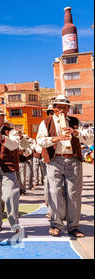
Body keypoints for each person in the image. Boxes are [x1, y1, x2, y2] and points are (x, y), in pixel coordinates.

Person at [36, 95, 93, 238]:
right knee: (55, 193)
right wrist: (56, 138)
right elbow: (40, 141)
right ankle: (56, 224)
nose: (60, 109)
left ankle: (73, 226)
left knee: (74, 194)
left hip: (73, 160)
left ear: (68, 109)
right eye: (58, 106)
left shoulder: (75, 122)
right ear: (54, 108)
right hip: (55, 160)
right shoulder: (46, 122)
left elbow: (90, 138)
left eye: (63, 107)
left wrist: (76, 133)